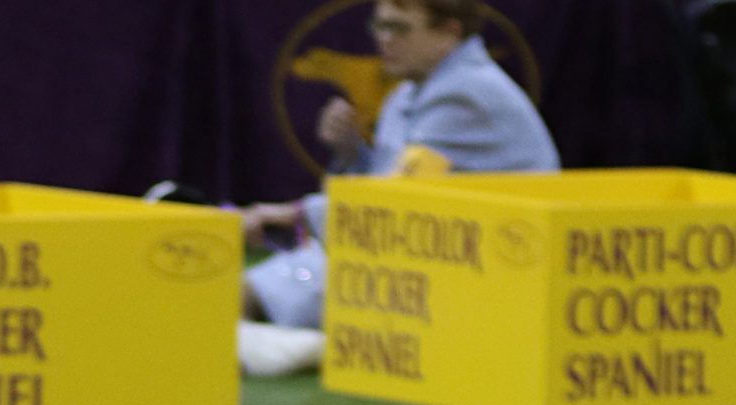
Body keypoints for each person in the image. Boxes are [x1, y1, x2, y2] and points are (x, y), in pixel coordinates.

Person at [239, 0, 559, 374]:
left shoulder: (465, 94)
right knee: (247, 289)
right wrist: (350, 152)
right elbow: (387, 189)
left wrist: (293, 215)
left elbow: (396, 207)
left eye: (399, 28)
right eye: (379, 27)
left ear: (449, 32)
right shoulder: (410, 91)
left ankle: (274, 343)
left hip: (496, 276)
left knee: (255, 291)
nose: (384, 40)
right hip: (441, 259)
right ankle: (265, 340)